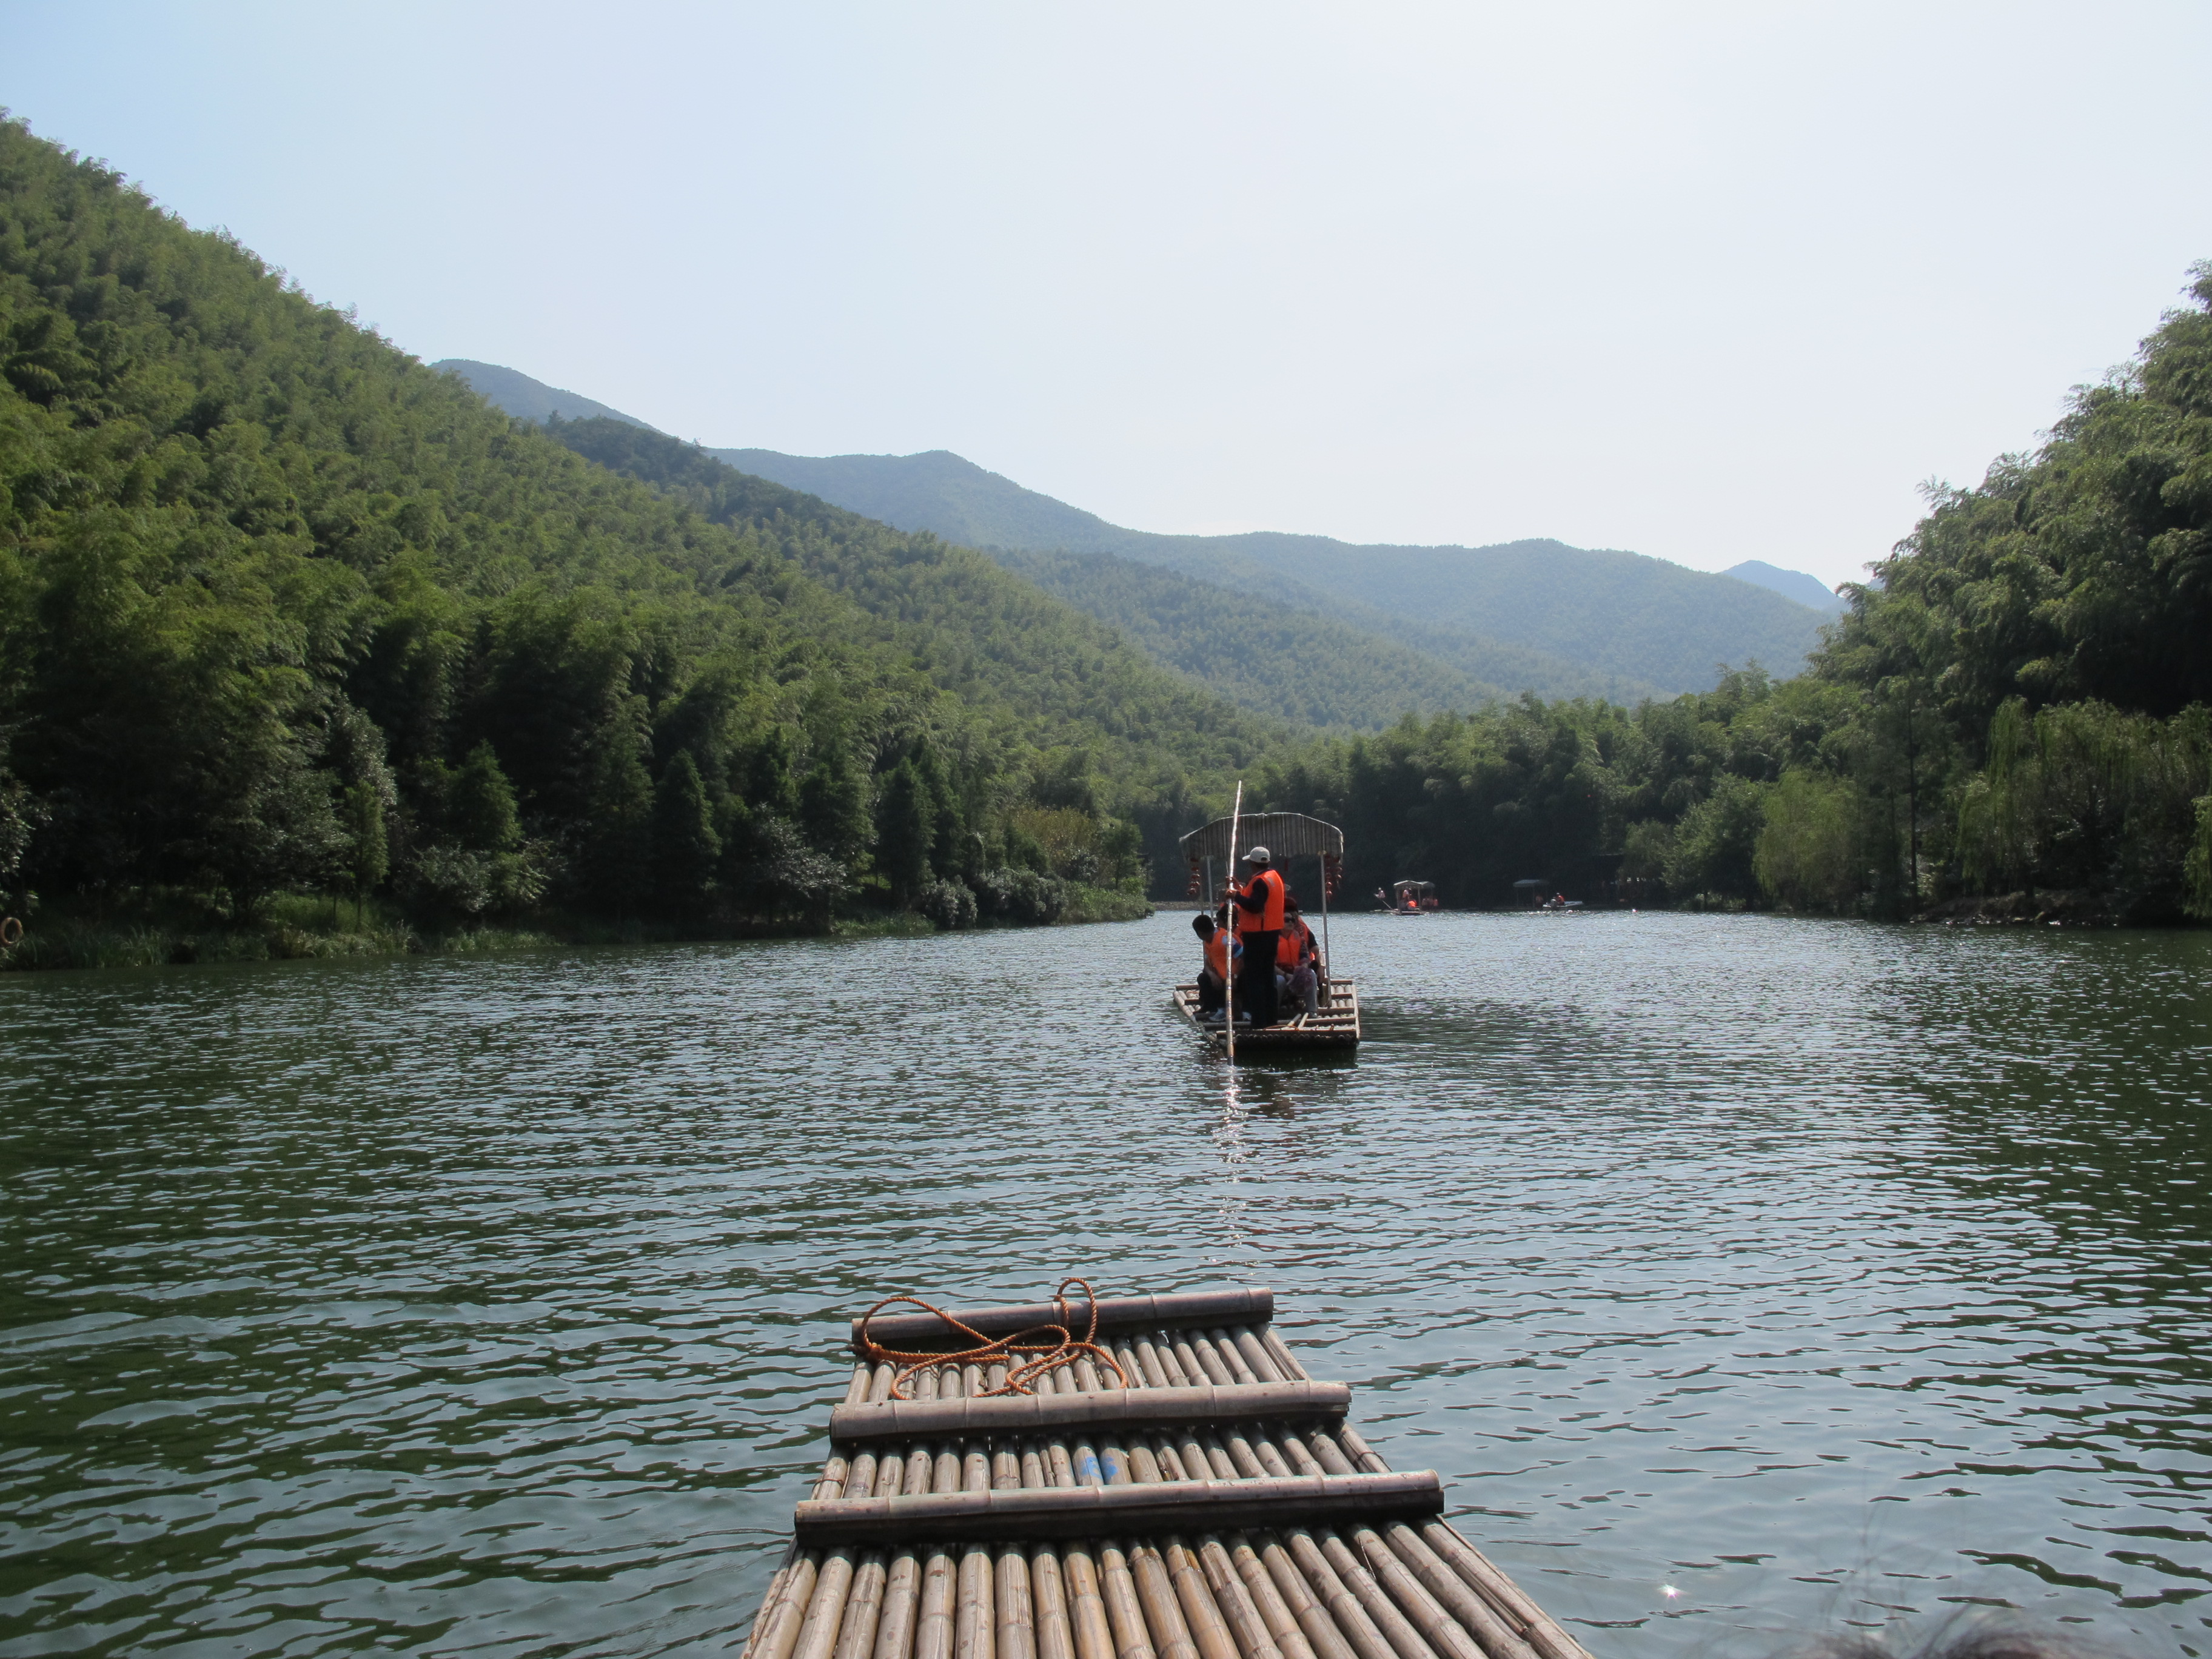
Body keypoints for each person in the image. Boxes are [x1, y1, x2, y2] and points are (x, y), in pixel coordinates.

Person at [1229, 845, 1286, 1027]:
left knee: (1255, 980)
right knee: (1269, 979)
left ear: (1253, 864)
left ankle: (1259, 1023)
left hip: (1257, 936)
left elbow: (1255, 906)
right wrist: (1239, 890)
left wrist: (1235, 896)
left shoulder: (1260, 881)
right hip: (1271, 934)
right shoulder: (1274, 878)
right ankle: (1271, 1020)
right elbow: (1258, 900)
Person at [1276, 897, 1321, 1019]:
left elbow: (1305, 957)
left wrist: (1302, 971)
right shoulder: (1273, 939)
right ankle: (1274, 1011)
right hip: (1281, 973)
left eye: (1292, 920)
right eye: (1287, 920)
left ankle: (1312, 1011)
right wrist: (1286, 975)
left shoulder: (1300, 937)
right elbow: (1271, 964)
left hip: (1296, 972)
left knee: (1311, 974)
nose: (1291, 922)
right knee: (1279, 980)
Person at [1191, 911, 1230, 1019]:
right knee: (1203, 977)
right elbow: (1207, 965)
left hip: (1232, 975)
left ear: (1200, 933)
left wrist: (1234, 976)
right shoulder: (1207, 942)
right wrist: (1212, 975)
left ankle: (1223, 1009)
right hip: (1218, 975)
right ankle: (1211, 1007)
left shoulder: (1224, 939)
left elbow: (1242, 955)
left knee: (1220, 982)